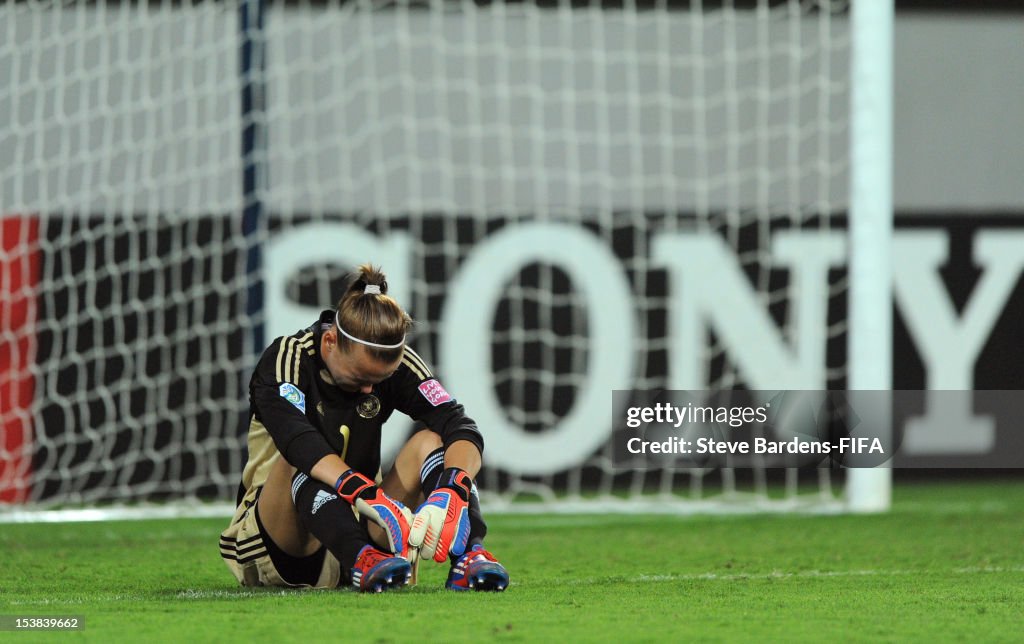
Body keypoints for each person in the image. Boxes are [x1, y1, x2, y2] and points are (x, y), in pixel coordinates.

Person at [219, 264, 509, 593]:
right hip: (283, 537)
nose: (370, 391)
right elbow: (296, 439)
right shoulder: (288, 358)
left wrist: (452, 489)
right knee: (301, 456)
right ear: (330, 341)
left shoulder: (397, 362)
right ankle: (361, 557)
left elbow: (461, 426)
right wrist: (364, 491)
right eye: (361, 378)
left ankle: (469, 556)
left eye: (380, 381)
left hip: (365, 518)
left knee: (432, 442)